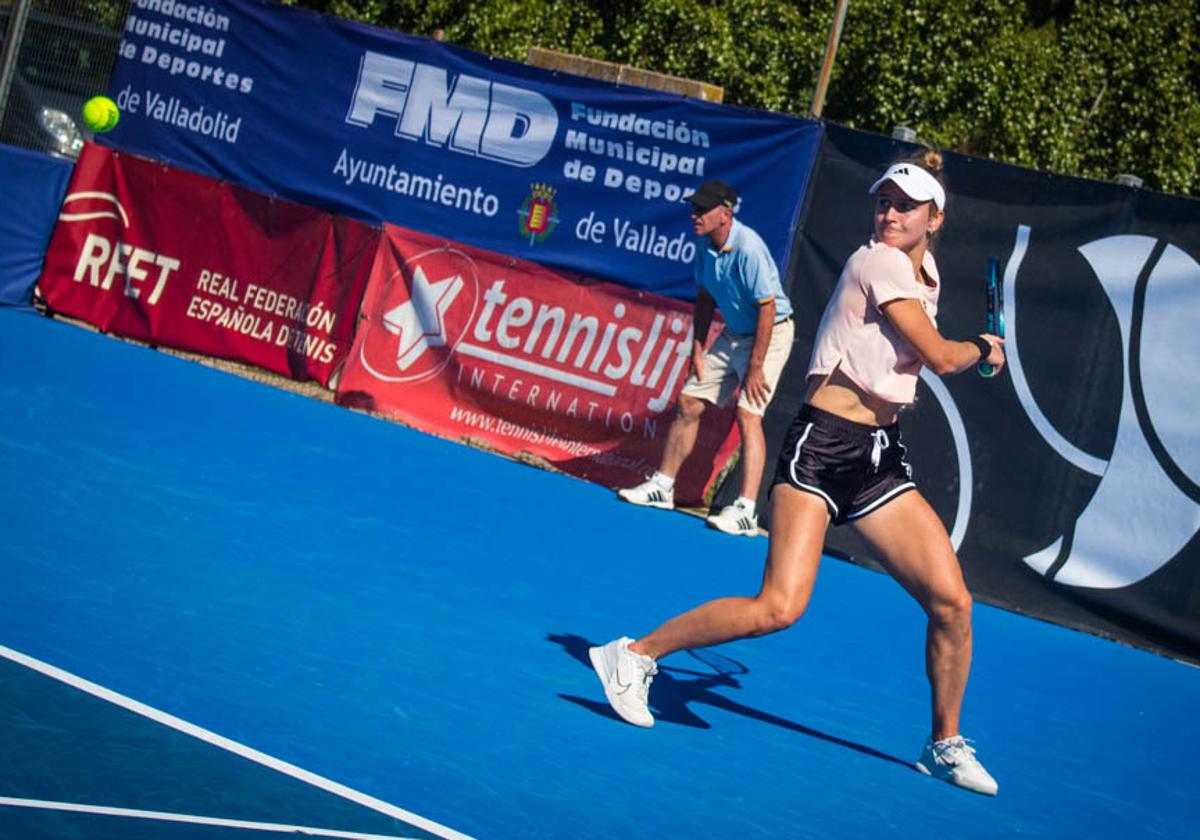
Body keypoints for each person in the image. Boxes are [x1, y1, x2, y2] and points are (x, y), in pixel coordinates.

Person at [590, 149, 1006, 796]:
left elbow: (913, 360)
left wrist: (966, 352)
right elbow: (942, 357)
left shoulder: (926, 277)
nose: (888, 212)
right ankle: (634, 656)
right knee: (779, 608)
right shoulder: (877, 260)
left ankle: (943, 744)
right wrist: (984, 349)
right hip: (820, 449)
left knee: (952, 603)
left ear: (935, 217)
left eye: (904, 205)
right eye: (883, 201)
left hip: (877, 459)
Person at [618, 179, 794, 537]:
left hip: (771, 332)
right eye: (693, 208)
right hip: (733, 334)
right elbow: (704, 298)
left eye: (702, 210)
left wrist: (755, 367)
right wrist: (697, 347)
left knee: (748, 414)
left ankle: (746, 510)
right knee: (688, 402)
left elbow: (767, 308)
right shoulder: (703, 244)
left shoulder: (749, 249)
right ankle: (662, 487)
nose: (694, 215)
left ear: (725, 214)